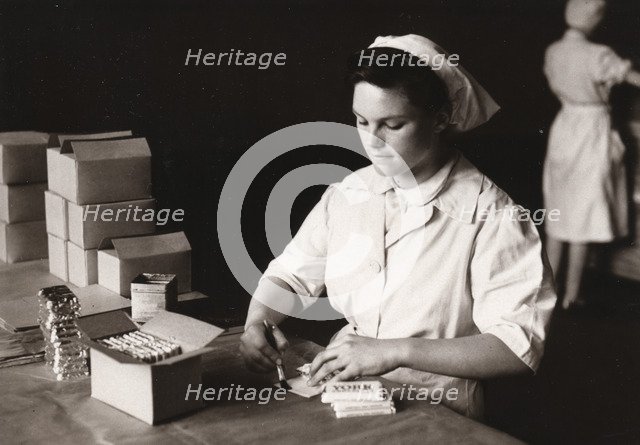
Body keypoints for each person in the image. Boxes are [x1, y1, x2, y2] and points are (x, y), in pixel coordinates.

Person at [239, 34, 556, 419]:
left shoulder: (492, 215)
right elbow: (290, 278)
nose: (372, 141)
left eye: (392, 124)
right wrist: (259, 320)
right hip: (346, 388)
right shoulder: (348, 193)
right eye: (361, 121)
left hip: (438, 408)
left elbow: (517, 347)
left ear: (440, 119)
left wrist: (392, 350)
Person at [543, 0, 640, 309]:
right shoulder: (598, 55)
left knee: (559, 214)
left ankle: (549, 290)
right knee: (582, 214)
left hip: (564, 128)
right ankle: (572, 295)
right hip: (590, 131)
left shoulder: (554, 51)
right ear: (596, 18)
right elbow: (631, 77)